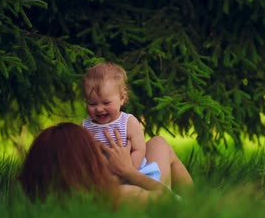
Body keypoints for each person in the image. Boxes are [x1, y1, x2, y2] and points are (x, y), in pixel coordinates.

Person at [17, 122, 194, 206]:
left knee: (156, 143)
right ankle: (200, 204)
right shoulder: (119, 196)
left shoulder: (40, 202)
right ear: (82, 162)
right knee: (160, 144)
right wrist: (130, 172)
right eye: (95, 151)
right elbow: (174, 202)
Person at [81, 62, 161, 181]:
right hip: (102, 177)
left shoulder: (128, 122)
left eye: (106, 103)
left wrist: (129, 169)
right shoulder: (85, 126)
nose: (99, 108)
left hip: (133, 173)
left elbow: (139, 149)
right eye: (92, 104)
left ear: (122, 98)